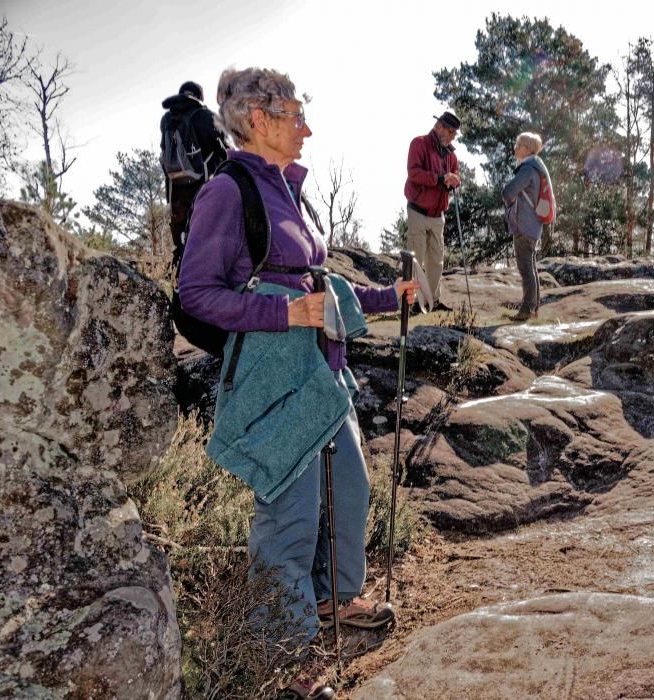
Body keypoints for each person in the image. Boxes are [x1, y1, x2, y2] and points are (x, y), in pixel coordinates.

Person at [178, 67, 418, 700]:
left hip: (320, 374)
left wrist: (389, 296)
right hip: (275, 382)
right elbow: (196, 294)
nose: (306, 127)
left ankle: (334, 600)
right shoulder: (228, 193)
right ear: (258, 119)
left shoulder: (290, 188)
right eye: (295, 115)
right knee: (288, 516)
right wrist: (280, 313)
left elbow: (322, 286)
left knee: (349, 493)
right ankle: (280, 658)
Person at [160, 80, 228, 264]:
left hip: (175, 195)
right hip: (204, 192)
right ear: (200, 96)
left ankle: (176, 288)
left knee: (180, 247)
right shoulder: (205, 116)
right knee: (205, 244)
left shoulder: (167, 120)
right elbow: (225, 151)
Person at [404, 111, 461, 311]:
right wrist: (440, 179)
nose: (452, 137)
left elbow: (455, 178)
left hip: (438, 214)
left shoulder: (451, 155)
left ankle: (432, 301)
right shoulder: (418, 144)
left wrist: (453, 182)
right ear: (438, 126)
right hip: (418, 211)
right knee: (416, 259)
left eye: (454, 134)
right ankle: (411, 303)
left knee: (436, 260)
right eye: (450, 131)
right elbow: (414, 173)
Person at [501, 132, 550, 321]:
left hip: (524, 224)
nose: (515, 147)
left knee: (525, 268)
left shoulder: (527, 169)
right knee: (531, 267)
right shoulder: (537, 168)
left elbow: (508, 192)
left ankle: (526, 310)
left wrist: (509, 199)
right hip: (534, 225)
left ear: (527, 148)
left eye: (518, 144)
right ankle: (534, 308)